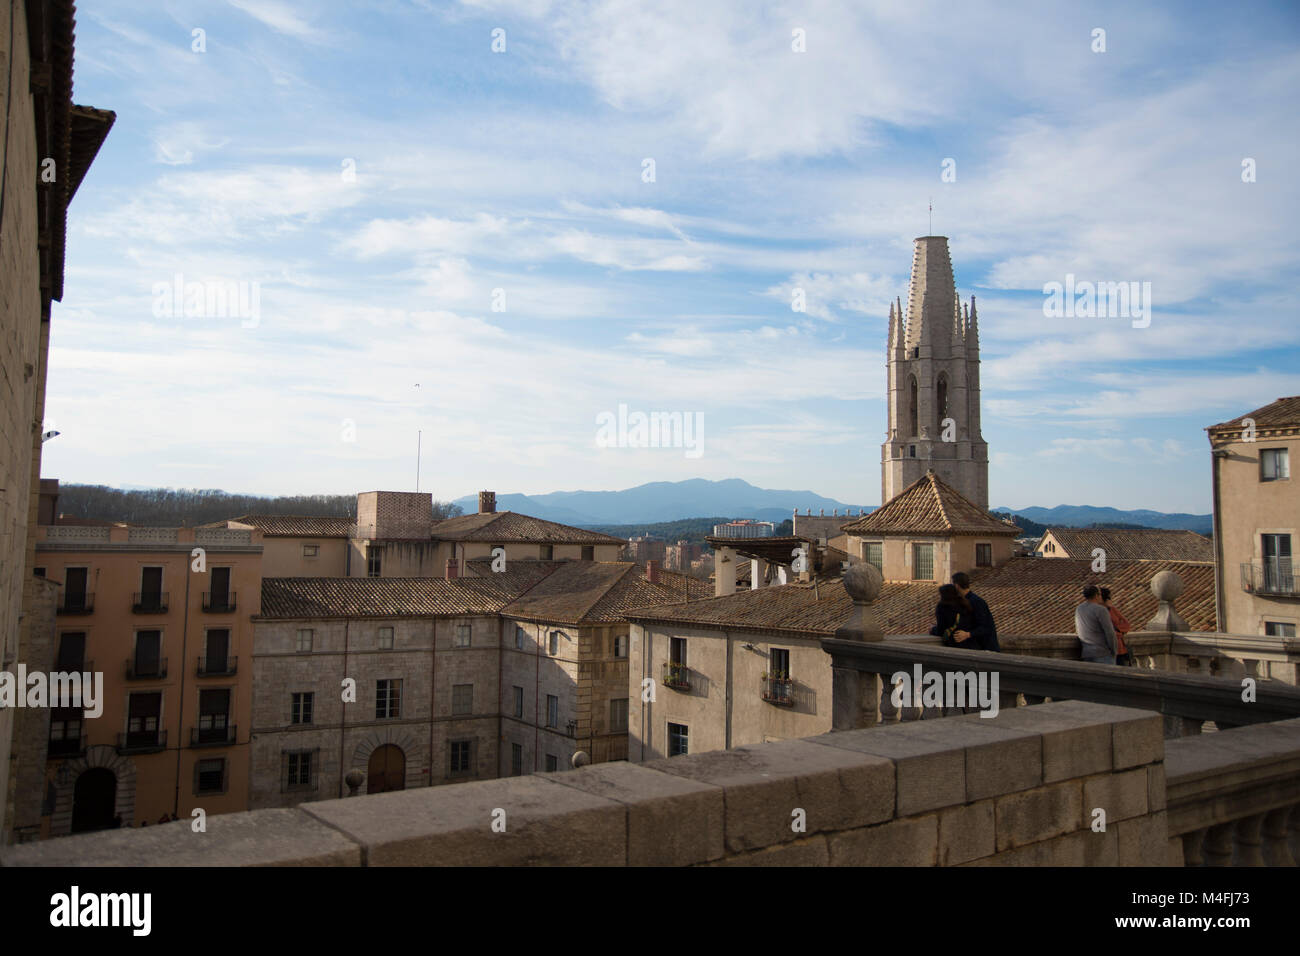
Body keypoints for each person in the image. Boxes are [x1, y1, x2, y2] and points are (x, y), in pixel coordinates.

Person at [950, 572, 999, 651]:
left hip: (986, 649)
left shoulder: (977, 602)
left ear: (957, 586)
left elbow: (986, 626)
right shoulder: (964, 601)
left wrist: (967, 634)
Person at [1076, 585, 1118, 664]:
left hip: (1087, 652)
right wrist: (1114, 650)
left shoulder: (1079, 608)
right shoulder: (1101, 610)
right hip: (1102, 653)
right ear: (1096, 595)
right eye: (1100, 594)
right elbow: (1109, 632)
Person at [1100, 587, 1133, 665]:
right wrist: (1117, 632)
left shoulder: (1112, 609)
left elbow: (1126, 624)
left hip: (1120, 648)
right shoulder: (1097, 611)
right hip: (1105, 649)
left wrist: (1118, 631)